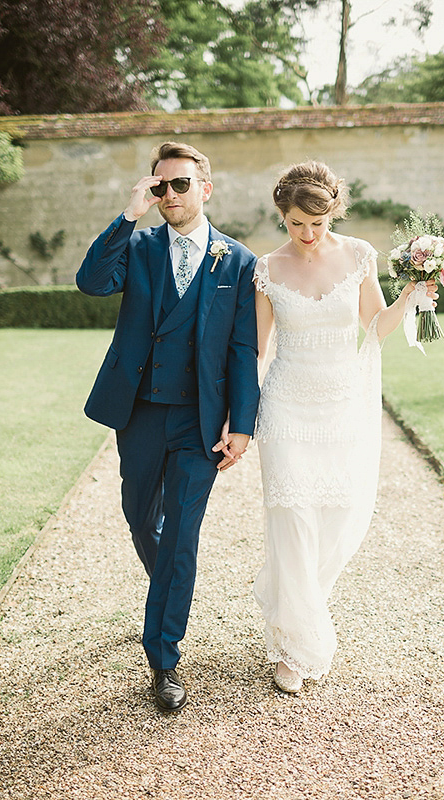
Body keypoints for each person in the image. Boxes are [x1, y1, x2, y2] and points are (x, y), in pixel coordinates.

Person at [76, 141, 260, 713]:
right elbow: (90, 282)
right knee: (139, 517)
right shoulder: (137, 245)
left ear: (205, 189)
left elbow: (242, 348)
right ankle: (171, 587)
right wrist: (128, 214)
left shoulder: (237, 260)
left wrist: (243, 424)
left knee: (182, 533)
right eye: (161, 186)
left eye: (181, 184)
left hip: (199, 422)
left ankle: (164, 658)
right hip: (140, 414)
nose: (170, 195)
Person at [252, 161, 436, 694]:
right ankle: (295, 646)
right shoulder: (266, 269)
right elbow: (257, 350)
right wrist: (236, 414)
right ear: (282, 216)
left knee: (336, 516)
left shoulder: (358, 255)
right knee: (291, 515)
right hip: (285, 404)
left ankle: (299, 605)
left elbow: (373, 326)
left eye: (319, 223)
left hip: (342, 404)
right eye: (296, 224)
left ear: (334, 211)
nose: (308, 236)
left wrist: (409, 295)